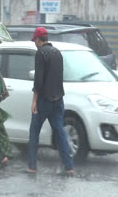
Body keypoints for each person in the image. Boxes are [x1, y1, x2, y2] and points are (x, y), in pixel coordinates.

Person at [26, 27, 74, 176]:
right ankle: (69, 167)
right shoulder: (57, 53)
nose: (34, 43)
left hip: (44, 101)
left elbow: (38, 80)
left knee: (34, 132)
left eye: (35, 40)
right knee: (60, 133)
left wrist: (34, 101)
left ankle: (32, 166)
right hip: (58, 99)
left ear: (39, 40)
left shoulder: (40, 54)